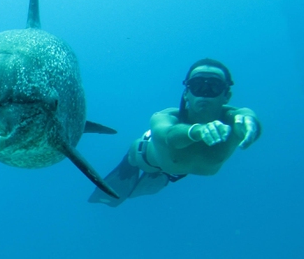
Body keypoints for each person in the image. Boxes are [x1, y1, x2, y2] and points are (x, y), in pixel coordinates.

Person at [88, 58, 261, 207]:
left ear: (227, 96)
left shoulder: (235, 120)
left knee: (173, 166)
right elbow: (169, 136)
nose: (205, 93)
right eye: (197, 85)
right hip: (146, 155)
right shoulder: (166, 117)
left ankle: (164, 175)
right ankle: (128, 166)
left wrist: (252, 125)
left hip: (174, 166)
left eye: (214, 86)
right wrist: (198, 131)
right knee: (137, 157)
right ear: (186, 94)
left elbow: (248, 119)